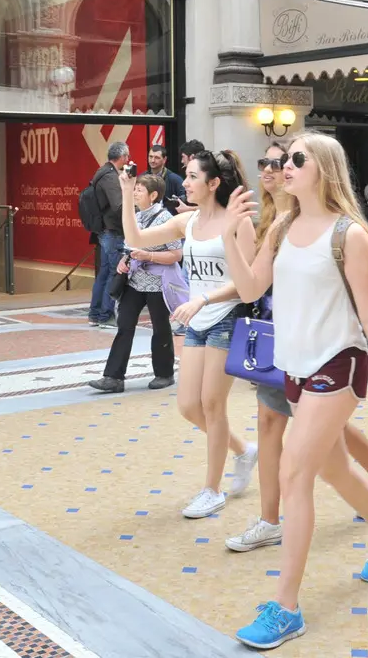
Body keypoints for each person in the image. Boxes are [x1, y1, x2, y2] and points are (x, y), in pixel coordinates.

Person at [219, 132, 368, 650]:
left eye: (296, 160)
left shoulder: (351, 235)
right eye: (282, 160)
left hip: (339, 365)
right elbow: (252, 289)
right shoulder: (282, 225)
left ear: (324, 168)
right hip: (295, 368)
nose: (284, 167)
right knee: (333, 470)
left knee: (294, 470)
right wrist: (232, 238)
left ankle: (286, 608)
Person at [118, 148, 258, 519]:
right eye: (188, 174)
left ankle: (212, 490)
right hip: (195, 322)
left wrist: (204, 300)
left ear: (214, 183)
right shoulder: (188, 223)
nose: (187, 182)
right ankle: (244, 451)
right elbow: (135, 237)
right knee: (188, 406)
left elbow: (247, 286)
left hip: (226, 318)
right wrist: (126, 189)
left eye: (194, 176)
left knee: (213, 405)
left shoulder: (238, 222)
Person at [89, 173, 180, 393]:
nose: (135, 192)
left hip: (158, 283)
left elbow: (176, 254)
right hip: (134, 281)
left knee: (160, 328)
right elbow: (130, 248)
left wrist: (147, 256)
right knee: (125, 325)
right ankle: (113, 377)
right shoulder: (135, 216)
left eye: (140, 189)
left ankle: (164, 373)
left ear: (154, 195)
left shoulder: (165, 219)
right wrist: (124, 260)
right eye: (135, 188)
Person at [88, 142, 130, 328]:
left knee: (104, 272)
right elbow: (118, 205)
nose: (127, 160)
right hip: (111, 232)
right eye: (127, 157)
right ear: (122, 157)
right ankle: (105, 316)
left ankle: (95, 314)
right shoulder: (110, 176)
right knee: (114, 272)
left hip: (104, 231)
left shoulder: (101, 172)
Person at [148, 144, 187, 214]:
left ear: (164, 159)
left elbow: (185, 200)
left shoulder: (175, 179)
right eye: (150, 157)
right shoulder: (143, 177)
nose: (152, 160)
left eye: (157, 157)